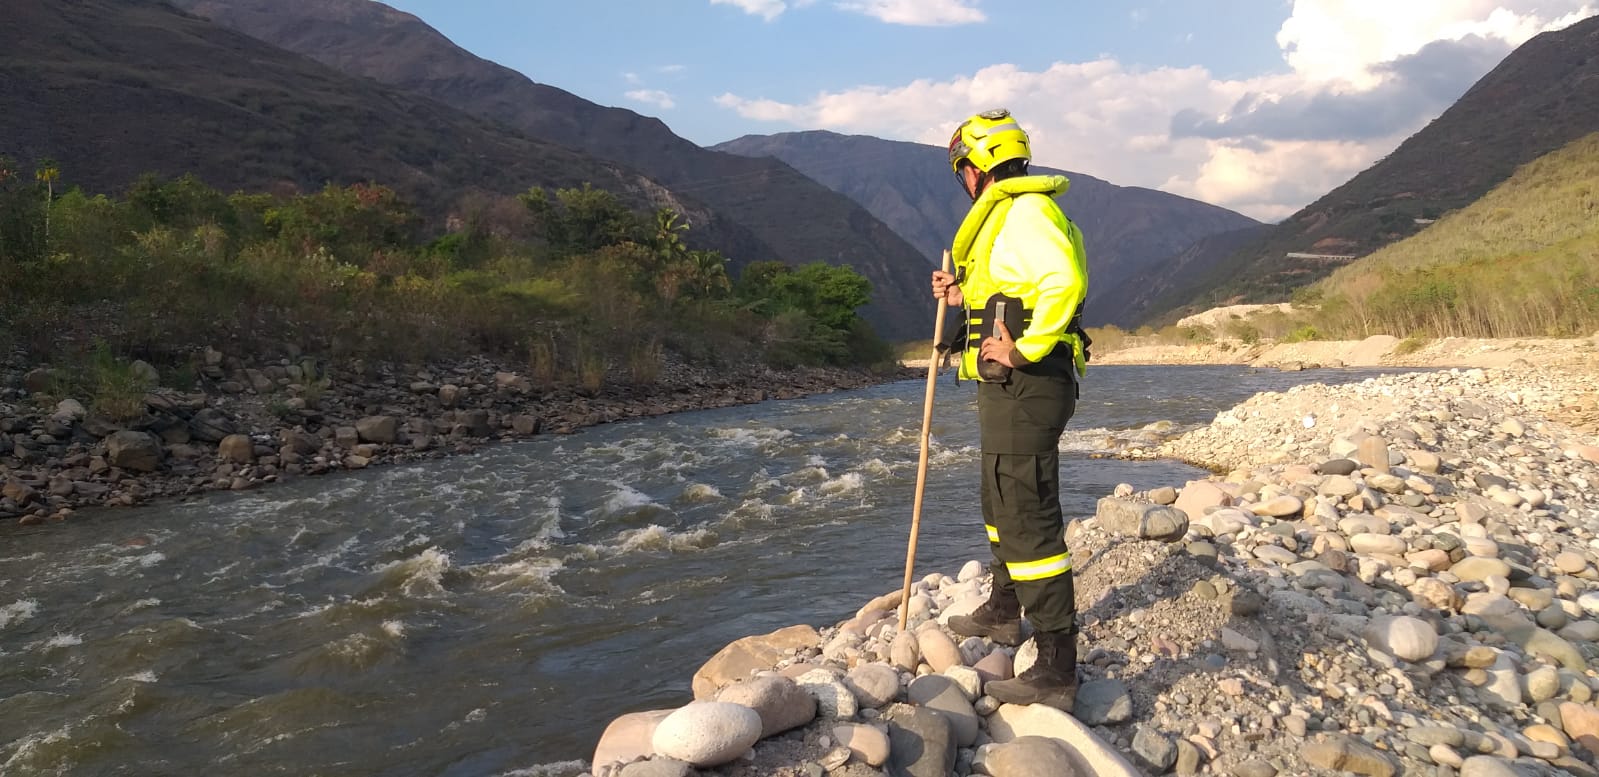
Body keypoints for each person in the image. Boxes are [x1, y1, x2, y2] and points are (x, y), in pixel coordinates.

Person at [931, 108, 1089, 711]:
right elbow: (1010, 290)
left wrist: (1024, 347)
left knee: (1027, 515)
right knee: (999, 500)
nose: (962, 177)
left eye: (962, 168)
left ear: (976, 167)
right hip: (1006, 388)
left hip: (1029, 383)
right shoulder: (1006, 217)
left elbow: (1060, 283)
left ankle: (1056, 668)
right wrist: (960, 294)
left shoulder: (1025, 211)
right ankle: (1003, 611)